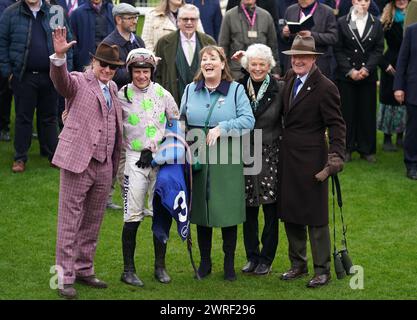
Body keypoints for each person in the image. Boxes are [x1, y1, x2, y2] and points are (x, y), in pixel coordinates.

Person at [50, 28, 124, 299]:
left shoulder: (114, 88)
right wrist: (59, 57)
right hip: (77, 161)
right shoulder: (79, 81)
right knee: (69, 221)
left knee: (93, 221)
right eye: (103, 64)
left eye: (112, 67)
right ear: (93, 62)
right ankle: (63, 277)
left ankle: (83, 268)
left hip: (104, 164)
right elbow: (61, 82)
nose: (107, 70)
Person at [180, 45, 255, 281]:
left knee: (227, 210)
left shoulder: (235, 91)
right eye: (204, 59)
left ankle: (229, 263)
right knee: (201, 210)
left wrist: (223, 128)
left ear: (223, 64)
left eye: (213, 58)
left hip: (227, 156)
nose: (208, 62)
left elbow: (248, 120)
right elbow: (181, 118)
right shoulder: (191, 89)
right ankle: (204, 263)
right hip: (198, 155)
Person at [279, 35, 346, 288]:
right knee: (291, 211)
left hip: (313, 159)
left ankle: (322, 270)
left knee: (316, 216)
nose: (297, 61)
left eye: (302, 57)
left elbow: (337, 124)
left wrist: (336, 156)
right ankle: (298, 264)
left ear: (313, 59)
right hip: (289, 156)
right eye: (294, 56)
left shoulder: (326, 87)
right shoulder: (289, 79)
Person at [118, 48, 180, 287]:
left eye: (145, 71)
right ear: (130, 71)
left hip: (160, 158)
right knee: (132, 213)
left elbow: (175, 122)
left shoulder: (162, 93)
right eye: (137, 71)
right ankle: (128, 269)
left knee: (160, 212)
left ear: (151, 71)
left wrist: (158, 146)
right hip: (134, 158)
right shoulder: (121, 94)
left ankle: (160, 266)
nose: (141, 76)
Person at [0, 0, 73, 173]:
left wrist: (63, 71)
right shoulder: (11, 13)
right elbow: (2, 45)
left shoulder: (56, 12)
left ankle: (52, 155)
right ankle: (20, 157)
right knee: (23, 118)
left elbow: (67, 41)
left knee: (49, 117)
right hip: (23, 76)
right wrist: (8, 73)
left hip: (50, 76)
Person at [231, 44, 283, 275]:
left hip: (270, 151)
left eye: (262, 64)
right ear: (247, 65)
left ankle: (267, 258)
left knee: (270, 208)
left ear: (269, 66)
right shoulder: (239, 86)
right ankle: (252, 256)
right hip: (245, 151)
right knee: (248, 208)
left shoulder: (279, 88)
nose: (258, 68)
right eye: (254, 64)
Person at [102, 2, 145, 210]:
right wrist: (135, 70)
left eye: (136, 16)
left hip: (135, 103)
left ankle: (128, 197)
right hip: (116, 105)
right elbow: (109, 73)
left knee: (129, 151)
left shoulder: (138, 41)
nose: (135, 20)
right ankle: (111, 197)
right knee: (115, 151)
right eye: (130, 17)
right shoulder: (110, 44)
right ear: (118, 20)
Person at [334, 0, 384, 162]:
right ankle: (347, 148)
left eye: (366, 0)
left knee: (367, 113)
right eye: (359, 0)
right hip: (346, 76)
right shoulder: (342, 22)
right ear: (353, 1)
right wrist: (350, 71)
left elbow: (378, 49)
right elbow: (338, 49)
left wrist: (367, 69)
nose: (362, 3)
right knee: (346, 113)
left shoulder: (376, 23)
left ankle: (367, 149)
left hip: (367, 75)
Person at [155, 4, 216, 106]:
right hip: (174, 99)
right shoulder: (164, 42)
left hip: (203, 100)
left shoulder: (208, 41)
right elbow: (158, 75)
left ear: (197, 21)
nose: (189, 23)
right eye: (185, 19)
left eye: (193, 19)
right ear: (178, 21)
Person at [218, 0, 280, 80]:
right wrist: (222, 72)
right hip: (236, 73)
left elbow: (273, 46)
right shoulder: (229, 16)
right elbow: (223, 46)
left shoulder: (266, 16)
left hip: (261, 72)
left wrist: (276, 71)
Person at [378, 0, 409, 151]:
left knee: (405, 101)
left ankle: (401, 137)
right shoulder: (386, 18)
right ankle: (387, 138)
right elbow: (376, 45)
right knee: (389, 100)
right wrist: (385, 65)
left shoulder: (413, 17)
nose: (402, 0)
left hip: (409, 63)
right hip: (391, 63)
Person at [280, 0, 338, 78]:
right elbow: (284, 38)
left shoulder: (327, 11)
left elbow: (333, 37)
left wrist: (311, 35)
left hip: (318, 63)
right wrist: (285, 34)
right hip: (294, 64)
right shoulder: (290, 10)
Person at [393, 22, 417, 180]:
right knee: (414, 130)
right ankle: (412, 164)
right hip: (414, 89)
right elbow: (402, 61)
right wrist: (398, 87)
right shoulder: (412, 31)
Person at [70, 0, 115, 71]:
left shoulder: (113, 11)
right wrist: (78, 60)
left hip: (109, 65)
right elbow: (73, 42)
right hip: (84, 66)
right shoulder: (77, 14)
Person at [0, 0, 16, 142]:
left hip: (21, 57)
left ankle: (26, 129)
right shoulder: (4, 4)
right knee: (4, 94)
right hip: (6, 56)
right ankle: (4, 127)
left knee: (24, 98)